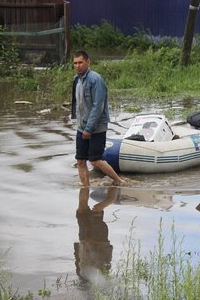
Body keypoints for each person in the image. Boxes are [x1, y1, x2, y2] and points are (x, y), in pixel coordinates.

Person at [71, 50, 125, 186]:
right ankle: (85, 189)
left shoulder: (96, 80)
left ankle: (120, 181)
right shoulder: (76, 80)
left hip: (96, 127)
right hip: (81, 126)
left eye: (80, 63)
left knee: (95, 160)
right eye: (75, 63)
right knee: (80, 161)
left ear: (88, 62)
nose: (78, 66)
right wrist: (77, 122)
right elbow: (77, 103)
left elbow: (98, 106)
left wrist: (89, 129)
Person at [74, 186, 117, 280]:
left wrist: (78, 246)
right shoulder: (102, 272)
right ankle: (113, 192)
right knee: (96, 209)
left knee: (81, 209)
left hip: (84, 241)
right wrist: (91, 245)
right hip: (99, 240)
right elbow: (106, 256)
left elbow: (77, 259)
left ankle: (84, 184)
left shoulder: (81, 274)